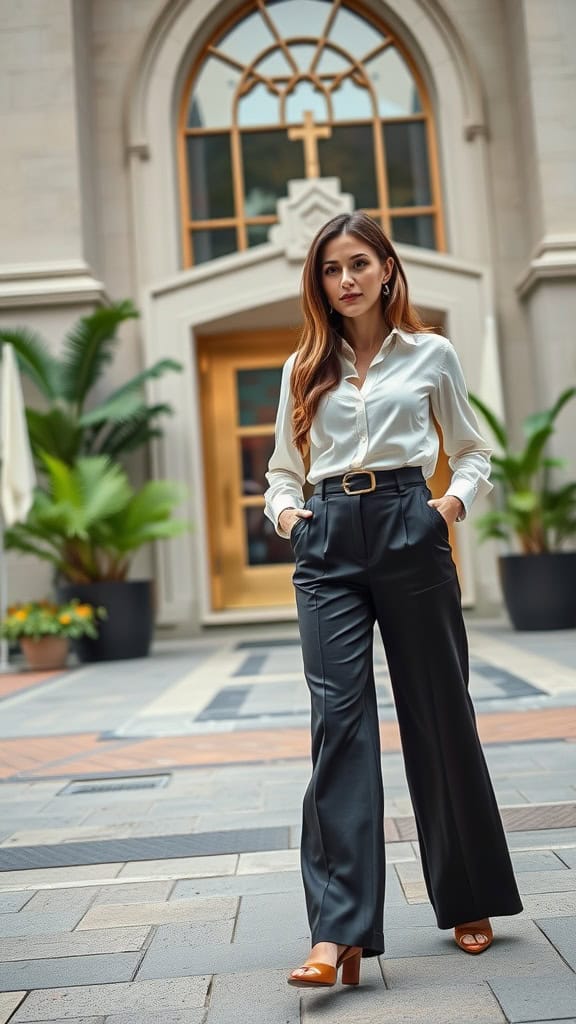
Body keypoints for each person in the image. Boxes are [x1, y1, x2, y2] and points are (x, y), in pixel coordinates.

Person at [263, 211, 523, 989]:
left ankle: (467, 894)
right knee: (338, 727)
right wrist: (287, 516)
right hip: (328, 539)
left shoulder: (432, 354)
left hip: (411, 526)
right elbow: (282, 469)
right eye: (330, 270)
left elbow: (473, 450)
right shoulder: (303, 367)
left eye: (356, 265)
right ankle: (336, 932)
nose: (344, 280)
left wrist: (445, 508)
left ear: (385, 269)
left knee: (438, 711)